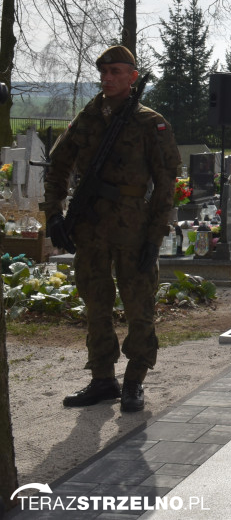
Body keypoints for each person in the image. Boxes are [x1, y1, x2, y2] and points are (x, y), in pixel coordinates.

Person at [42, 45, 180, 413]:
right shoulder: (88, 117)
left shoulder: (151, 122)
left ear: (132, 77)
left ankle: (134, 379)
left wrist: (156, 235)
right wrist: (54, 214)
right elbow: (57, 166)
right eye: (104, 72)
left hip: (133, 227)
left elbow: (166, 183)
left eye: (117, 72)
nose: (108, 78)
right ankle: (103, 378)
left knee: (139, 304)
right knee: (95, 302)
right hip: (90, 226)